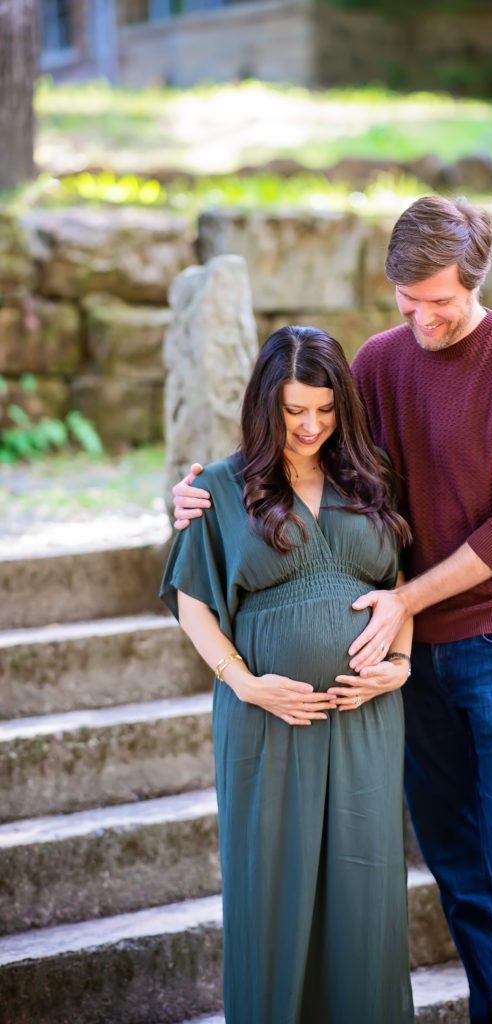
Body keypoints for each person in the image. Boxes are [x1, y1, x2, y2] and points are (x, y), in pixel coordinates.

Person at [173, 195, 492, 1024]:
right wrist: (191, 497)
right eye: (407, 300)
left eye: (440, 301)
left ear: (475, 280)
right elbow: (307, 449)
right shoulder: (382, 365)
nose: (423, 317)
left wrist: (402, 604)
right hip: (413, 664)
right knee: (458, 870)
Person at [161, 325, 415, 1024]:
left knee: (365, 903)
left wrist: (398, 665)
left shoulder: (372, 478)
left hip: (365, 717)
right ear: (265, 404)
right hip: (265, 720)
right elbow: (192, 603)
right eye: (293, 409)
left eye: (326, 410)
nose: (309, 425)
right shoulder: (217, 487)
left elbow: (397, 589)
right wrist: (243, 683)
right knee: (270, 896)